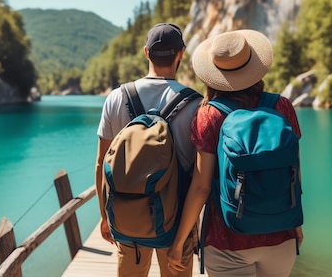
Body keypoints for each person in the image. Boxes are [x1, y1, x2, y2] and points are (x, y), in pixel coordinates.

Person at [167, 29, 304, 276]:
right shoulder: (282, 106)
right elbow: (294, 172)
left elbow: (201, 187)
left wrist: (179, 242)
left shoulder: (209, 115)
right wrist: (297, 225)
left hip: (227, 240)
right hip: (281, 235)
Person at [95, 23, 202, 277]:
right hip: (177, 222)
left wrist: (105, 216)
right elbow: (201, 175)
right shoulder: (196, 104)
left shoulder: (116, 97)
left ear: (146, 53)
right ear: (181, 53)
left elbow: (101, 162)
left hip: (126, 214)